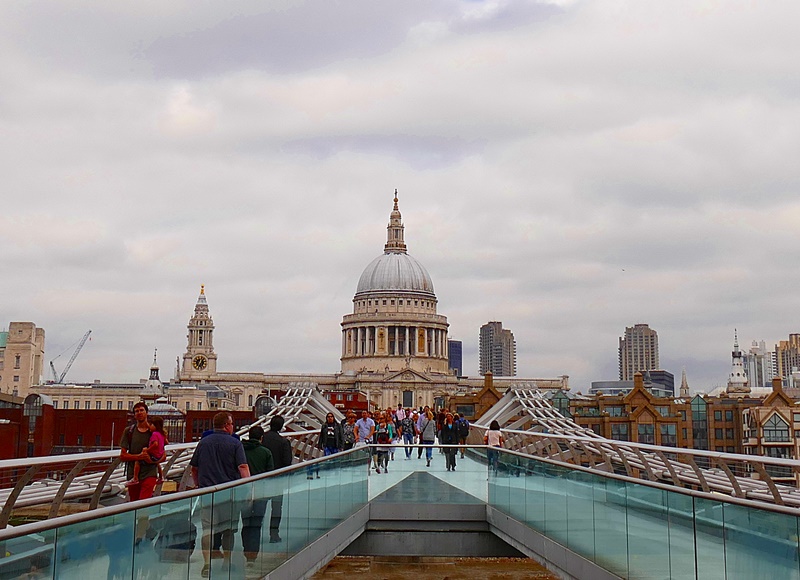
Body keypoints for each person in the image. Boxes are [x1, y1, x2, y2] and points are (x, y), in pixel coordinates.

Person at [190, 412, 251, 578]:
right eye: (231, 424)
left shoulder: (203, 443)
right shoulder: (234, 443)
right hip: (229, 494)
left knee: (207, 530)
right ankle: (226, 561)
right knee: (229, 530)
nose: (233, 427)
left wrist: (198, 484)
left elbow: (194, 468)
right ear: (227, 425)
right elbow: (243, 467)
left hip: (207, 493)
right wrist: (249, 489)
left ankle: (207, 564)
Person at [240, 425, 274, 568]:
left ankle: (246, 549)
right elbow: (270, 474)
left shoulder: (240, 450)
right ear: (261, 438)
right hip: (261, 492)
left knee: (246, 522)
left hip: (242, 492)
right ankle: (252, 556)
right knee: (256, 522)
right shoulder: (265, 452)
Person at [261, 415, 292, 543]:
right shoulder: (284, 442)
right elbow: (287, 462)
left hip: (262, 479)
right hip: (278, 480)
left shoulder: (262, 439)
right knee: (276, 508)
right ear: (281, 426)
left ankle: (255, 532)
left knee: (260, 506)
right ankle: (274, 534)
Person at [120, 402, 159, 502]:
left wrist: (151, 461)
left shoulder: (154, 432)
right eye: (136, 411)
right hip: (132, 474)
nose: (139, 413)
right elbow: (123, 455)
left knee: (143, 503)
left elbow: (162, 454)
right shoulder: (129, 431)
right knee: (134, 502)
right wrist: (139, 457)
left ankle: (143, 518)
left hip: (149, 472)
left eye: (142, 410)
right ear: (134, 415)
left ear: (147, 412)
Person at [126, 416, 167, 487]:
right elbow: (166, 442)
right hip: (159, 455)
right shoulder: (162, 434)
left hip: (154, 455)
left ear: (155, 426)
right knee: (157, 464)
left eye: (150, 425)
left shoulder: (154, 434)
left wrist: (147, 450)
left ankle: (135, 478)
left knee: (138, 460)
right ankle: (161, 477)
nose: (149, 426)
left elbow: (155, 444)